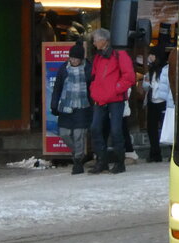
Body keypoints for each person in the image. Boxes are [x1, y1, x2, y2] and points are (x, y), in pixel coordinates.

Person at [88, 28, 135, 174]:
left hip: (115, 99)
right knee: (95, 129)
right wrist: (94, 91)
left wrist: (117, 89)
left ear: (104, 40)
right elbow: (94, 77)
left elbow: (129, 76)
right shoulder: (98, 57)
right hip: (101, 99)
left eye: (96, 40)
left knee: (116, 131)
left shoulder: (119, 54)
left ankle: (119, 163)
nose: (94, 43)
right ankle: (102, 161)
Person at [50, 42, 91, 174]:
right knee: (64, 133)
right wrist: (54, 104)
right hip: (66, 106)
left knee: (79, 135)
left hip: (82, 106)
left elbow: (93, 87)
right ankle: (76, 152)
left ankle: (78, 161)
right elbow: (57, 88)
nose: (73, 60)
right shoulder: (63, 69)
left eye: (76, 58)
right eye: (71, 58)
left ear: (81, 59)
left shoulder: (88, 68)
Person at [141, 46, 172, 163]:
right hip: (152, 101)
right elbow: (146, 87)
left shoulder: (165, 69)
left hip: (163, 102)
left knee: (166, 128)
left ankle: (172, 151)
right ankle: (155, 153)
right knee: (151, 129)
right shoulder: (150, 70)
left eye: (152, 55)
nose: (150, 57)